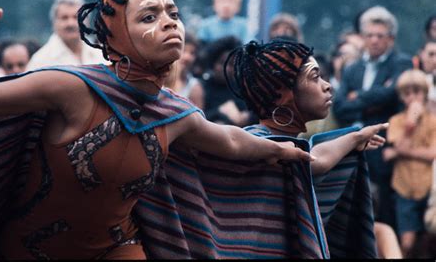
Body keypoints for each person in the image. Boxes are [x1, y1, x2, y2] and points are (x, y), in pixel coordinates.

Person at [0, 0, 312, 260]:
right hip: (29, 251)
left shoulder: (176, 114)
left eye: (173, 15)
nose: (169, 23)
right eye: (150, 16)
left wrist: (284, 151)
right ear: (116, 35)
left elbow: (233, 141)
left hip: (117, 250)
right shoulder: (70, 87)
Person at [135, 38, 387, 259]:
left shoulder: (269, 142)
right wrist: (354, 138)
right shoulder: (263, 145)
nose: (327, 85)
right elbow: (314, 160)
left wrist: (354, 138)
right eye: (315, 76)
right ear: (283, 93)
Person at [333, 5, 413, 228]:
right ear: (362, 37)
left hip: (383, 147)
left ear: (391, 38)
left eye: (380, 35)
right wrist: (372, 101)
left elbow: (390, 95)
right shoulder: (351, 69)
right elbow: (339, 107)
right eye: (369, 35)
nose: (375, 40)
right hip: (351, 146)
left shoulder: (401, 63)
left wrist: (356, 97)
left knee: (384, 211)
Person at [382, 69, 436, 257]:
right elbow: (400, 145)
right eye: (407, 93)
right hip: (404, 187)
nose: (412, 97)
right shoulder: (396, 121)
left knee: (428, 242)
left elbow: (432, 154)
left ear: (425, 93)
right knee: (407, 242)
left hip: (429, 188)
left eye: (417, 92)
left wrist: (397, 153)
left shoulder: (433, 121)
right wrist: (410, 123)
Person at [26, 0, 104, 70]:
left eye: (76, 17)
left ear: (87, 21)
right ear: (54, 22)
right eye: (64, 18)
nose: (70, 23)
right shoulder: (40, 61)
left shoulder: (100, 54)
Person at [201, 36, 252, 126]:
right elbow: (197, 119)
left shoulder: (243, 88)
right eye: (222, 63)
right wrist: (219, 111)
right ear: (213, 63)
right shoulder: (202, 87)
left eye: (232, 64)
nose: (227, 69)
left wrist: (247, 117)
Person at [163, 33, 204, 108]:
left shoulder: (194, 86)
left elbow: (198, 118)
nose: (187, 57)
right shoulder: (158, 79)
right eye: (183, 51)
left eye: (192, 53)